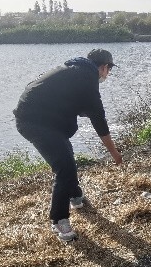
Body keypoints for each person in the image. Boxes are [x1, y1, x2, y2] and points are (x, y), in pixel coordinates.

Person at [14, 48, 123, 242]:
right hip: (35, 123)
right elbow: (99, 119)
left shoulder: (73, 68)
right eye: (109, 70)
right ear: (104, 67)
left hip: (42, 119)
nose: (107, 75)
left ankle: (75, 196)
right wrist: (114, 152)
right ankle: (59, 220)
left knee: (67, 157)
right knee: (64, 167)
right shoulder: (87, 78)